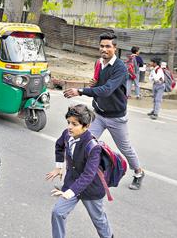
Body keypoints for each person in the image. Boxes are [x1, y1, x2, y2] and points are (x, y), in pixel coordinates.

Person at [63, 32, 145, 190]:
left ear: (115, 48)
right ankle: (74, 179)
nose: (104, 49)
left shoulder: (121, 68)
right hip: (99, 114)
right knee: (81, 142)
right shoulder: (98, 63)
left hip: (116, 117)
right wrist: (92, 84)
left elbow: (107, 90)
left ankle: (138, 172)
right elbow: (98, 84)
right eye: (102, 46)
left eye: (108, 46)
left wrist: (80, 91)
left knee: (125, 148)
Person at [46, 104, 113, 238]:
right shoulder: (67, 134)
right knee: (58, 212)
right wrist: (59, 167)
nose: (70, 127)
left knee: (99, 220)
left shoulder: (93, 147)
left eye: (74, 124)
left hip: (91, 188)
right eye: (68, 122)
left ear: (86, 126)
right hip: (72, 183)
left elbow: (88, 175)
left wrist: (69, 193)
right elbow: (59, 145)